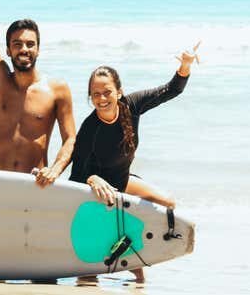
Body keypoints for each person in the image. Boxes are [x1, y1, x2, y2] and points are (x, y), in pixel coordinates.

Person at [69, 43, 199, 281]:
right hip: (96, 191)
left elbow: (171, 90)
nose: (101, 98)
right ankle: (109, 258)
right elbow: (76, 174)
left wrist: (185, 65)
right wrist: (92, 178)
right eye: (95, 94)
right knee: (92, 278)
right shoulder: (90, 128)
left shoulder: (132, 106)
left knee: (167, 202)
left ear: (119, 92)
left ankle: (129, 246)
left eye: (107, 91)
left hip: (121, 181)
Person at [0, 0, 76, 186]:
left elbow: (70, 138)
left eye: (30, 44)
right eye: (17, 44)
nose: (24, 49)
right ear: (8, 51)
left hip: (35, 186)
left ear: (39, 50)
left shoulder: (57, 89)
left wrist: (55, 170)